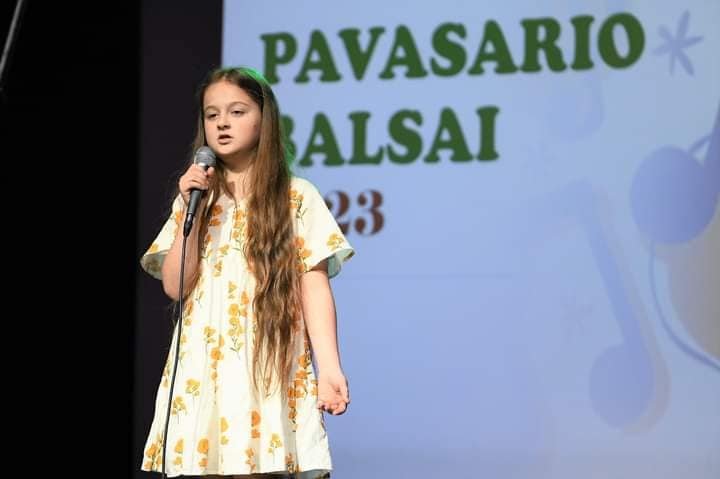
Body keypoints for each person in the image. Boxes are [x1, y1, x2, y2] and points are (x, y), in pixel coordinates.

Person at [139, 66, 355, 478]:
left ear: (263, 119)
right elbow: (175, 286)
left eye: (237, 112)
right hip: (203, 369)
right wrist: (191, 209)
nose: (222, 122)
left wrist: (329, 368)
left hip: (266, 364)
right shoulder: (196, 198)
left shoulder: (296, 196)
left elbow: (314, 287)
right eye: (212, 114)